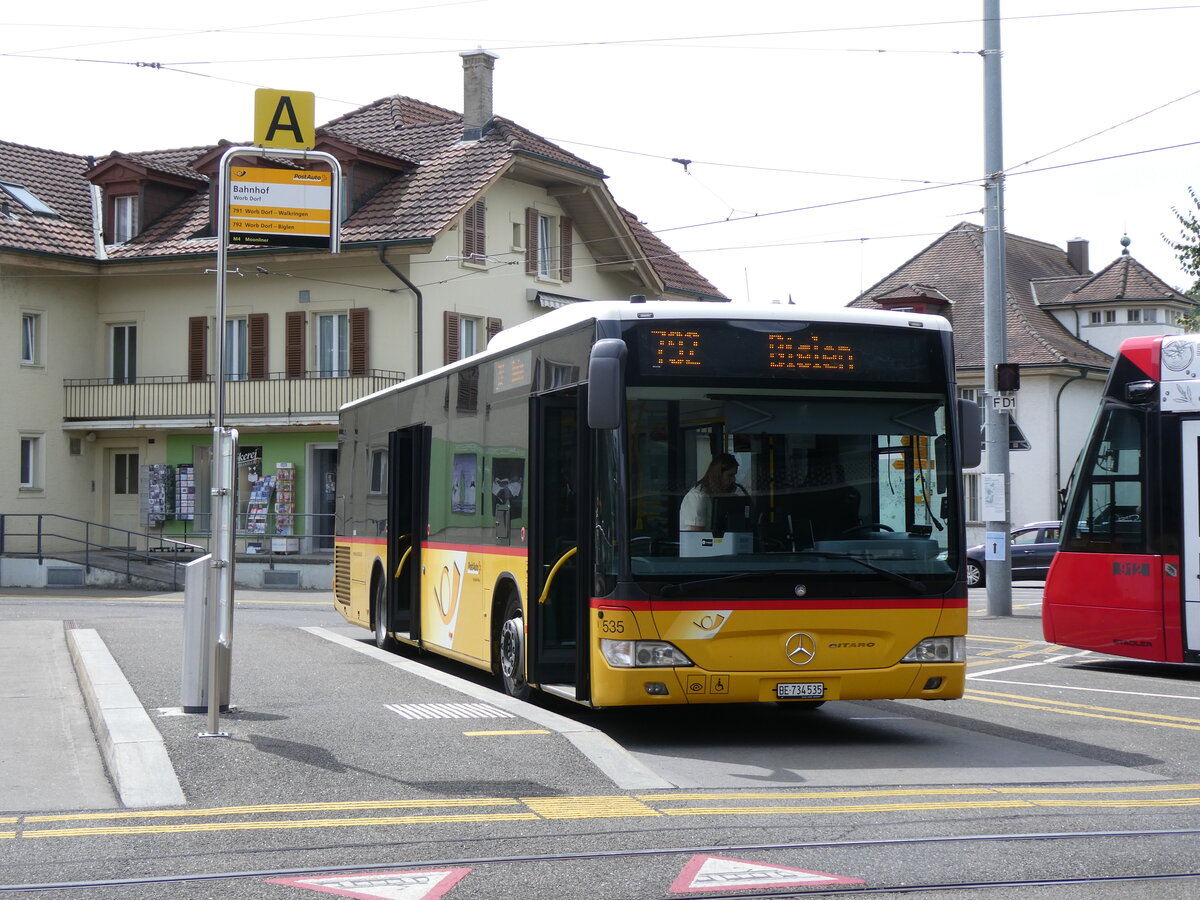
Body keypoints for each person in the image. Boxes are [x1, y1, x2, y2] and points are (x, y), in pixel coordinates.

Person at [679, 453, 750, 532]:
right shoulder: (698, 496)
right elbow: (697, 535)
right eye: (730, 476)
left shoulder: (718, 494)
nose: (733, 480)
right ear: (718, 475)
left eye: (734, 475)